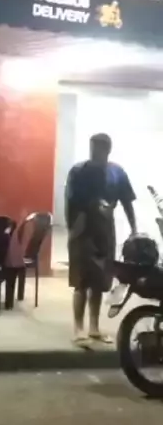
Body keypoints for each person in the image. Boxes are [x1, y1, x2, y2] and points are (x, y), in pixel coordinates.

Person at [65, 133, 136, 347]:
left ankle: (94, 327)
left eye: (98, 149)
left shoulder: (116, 172)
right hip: (82, 229)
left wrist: (134, 229)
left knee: (99, 281)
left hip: (105, 230)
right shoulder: (79, 171)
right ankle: (78, 328)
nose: (94, 153)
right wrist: (72, 229)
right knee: (81, 281)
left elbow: (127, 201)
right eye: (92, 148)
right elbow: (69, 202)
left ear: (107, 150)